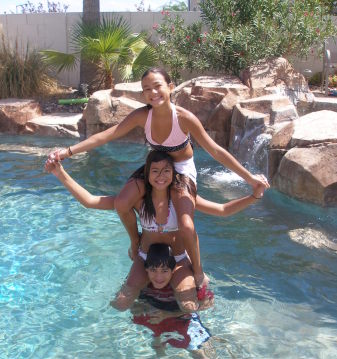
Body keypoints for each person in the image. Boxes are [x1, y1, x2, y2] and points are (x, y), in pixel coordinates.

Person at [46, 67, 269, 289]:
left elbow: (216, 151)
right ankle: (136, 242)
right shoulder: (142, 116)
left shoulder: (184, 118)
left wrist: (249, 179)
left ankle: (199, 272)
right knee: (122, 203)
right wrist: (68, 152)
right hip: (157, 169)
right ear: (142, 94)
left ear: (170, 87)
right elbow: (106, 135)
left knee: (186, 225)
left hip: (180, 170)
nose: (153, 93)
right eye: (146, 89)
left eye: (157, 86)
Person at [45, 150, 266, 312]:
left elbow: (223, 209)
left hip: (178, 260)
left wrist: (253, 196)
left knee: (189, 306)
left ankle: (176, 325)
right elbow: (91, 201)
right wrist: (59, 172)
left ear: (173, 173)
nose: (161, 176)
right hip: (146, 258)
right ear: (147, 174)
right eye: (155, 171)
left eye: (166, 171)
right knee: (121, 303)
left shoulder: (182, 199)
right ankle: (150, 310)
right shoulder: (139, 201)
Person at [131, 243, 214, 359]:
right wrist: (141, 307)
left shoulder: (183, 287)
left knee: (204, 356)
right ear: (146, 269)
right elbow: (134, 304)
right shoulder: (143, 285)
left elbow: (208, 303)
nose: (158, 277)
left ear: (173, 270)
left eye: (164, 271)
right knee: (159, 352)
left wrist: (168, 315)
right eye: (153, 270)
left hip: (182, 320)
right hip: (157, 320)